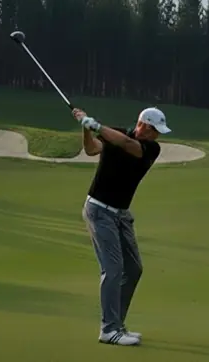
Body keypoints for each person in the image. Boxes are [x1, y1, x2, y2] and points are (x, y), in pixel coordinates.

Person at [73, 105, 171, 347]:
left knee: (134, 269)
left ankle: (117, 325)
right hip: (98, 210)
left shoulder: (150, 148)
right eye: (155, 130)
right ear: (143, 125)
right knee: (113, 269)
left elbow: (129, 146)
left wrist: (95, 124)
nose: (157, 135)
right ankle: (109, 329)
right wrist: (86, 129)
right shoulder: (114, 135)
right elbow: (91, 149)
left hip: (121, 214)